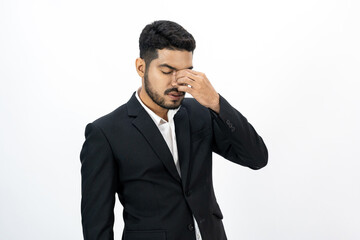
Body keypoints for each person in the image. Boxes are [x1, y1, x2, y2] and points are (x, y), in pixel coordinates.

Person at [80, 20, 268, 240]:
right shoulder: (105, 133)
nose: (178, 83)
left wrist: (216, 103)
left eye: (186, 72)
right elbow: (96, 227)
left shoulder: (201, 113)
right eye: (167, 71)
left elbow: (256, 158)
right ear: (141, 67)